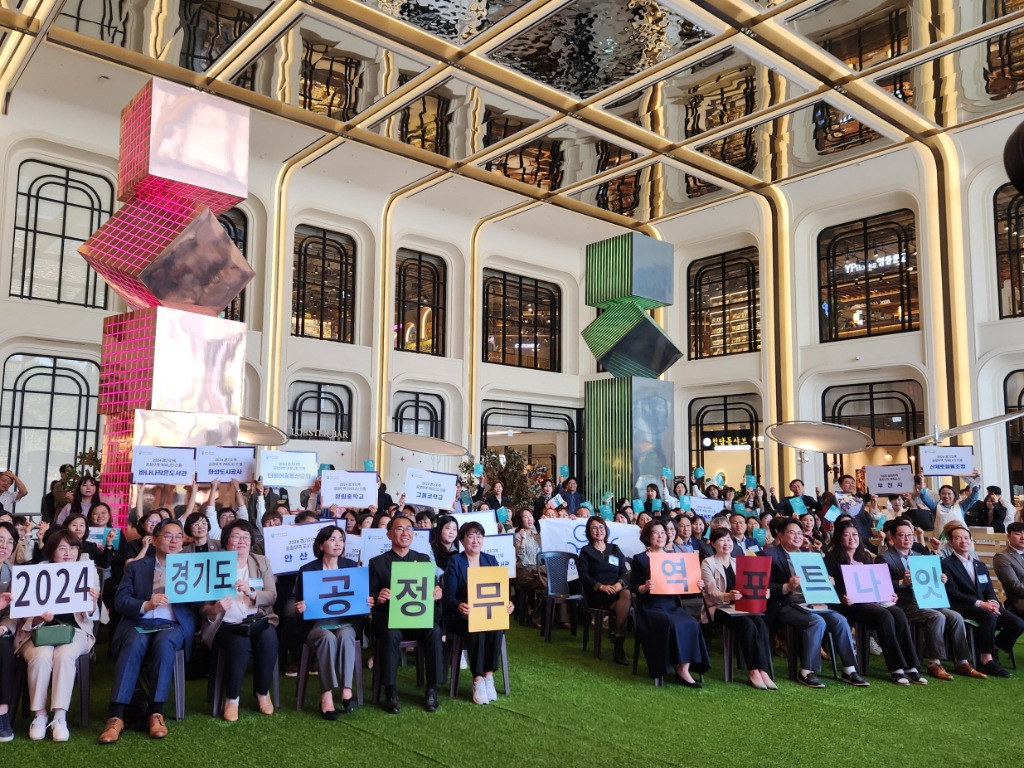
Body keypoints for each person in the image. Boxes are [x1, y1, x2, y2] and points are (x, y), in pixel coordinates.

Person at [98, 518, 199, 744]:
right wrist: (146, 604)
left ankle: (156, 712)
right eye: (167, 535)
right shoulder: (136, 566)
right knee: (133, 643)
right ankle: (116, 716)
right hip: (141, 623)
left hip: (172, 625)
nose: (173, 540)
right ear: (154, 540)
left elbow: (200, 604)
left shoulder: (192, 567)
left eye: (178, 536)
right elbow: (120, 601)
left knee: (165, 644)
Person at [15, 529, 100, 741]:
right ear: (52, 551)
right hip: (38, 632)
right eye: (62, 548)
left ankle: (60, 716)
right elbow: (24, 618)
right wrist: (39, 617)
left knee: (64, 655)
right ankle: (40, 715)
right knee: (41, 656)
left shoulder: (87, 573)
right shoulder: (37, 572)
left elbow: (92, 615)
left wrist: (92, 602)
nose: (68, 553)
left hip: (76, 631)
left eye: (73, 548)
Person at [766, 518, 867, 688]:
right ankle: (807, 671)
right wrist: (787, 586)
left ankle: (849, 669)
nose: (797, 536)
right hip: (786, 605)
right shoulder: (769, 554)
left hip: (813, 603)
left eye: (799, 533)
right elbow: (764, 585)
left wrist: (828, 582)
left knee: (841, 621)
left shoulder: (809, 556)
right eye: (792, 533)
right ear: (780, 535)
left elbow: (820, 582)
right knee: (816, 622)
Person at [877, 518, 980, 680]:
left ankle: (962, 661)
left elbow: (932, 580)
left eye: (910, 535)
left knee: (956, 617)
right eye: (902, 535)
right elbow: (881, 586)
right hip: (905, 603)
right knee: (937, 617)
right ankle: (934, 663)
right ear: (893, 537)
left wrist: (941, 580)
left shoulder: (920, 556)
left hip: (929, 599)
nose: (907, 539)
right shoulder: (885, 558)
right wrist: (902, 582)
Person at [824, 521, 925, 685]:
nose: (852, 538)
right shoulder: (831, 557)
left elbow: (875, 582)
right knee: (884, 616)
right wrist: (842, 597)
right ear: (839, 537)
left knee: (898, 613)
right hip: (849, 604)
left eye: (855, 534)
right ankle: (896, 668)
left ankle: (911, 666)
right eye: (847, 535)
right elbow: (830, 584)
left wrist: (887, 594)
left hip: (871, 601)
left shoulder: (864, 556)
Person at [200, 520, 278, 720]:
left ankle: (262, 692)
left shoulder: (261, 561)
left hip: (257, 620)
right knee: (239, 643)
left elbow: (272, 595)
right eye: (236, 536)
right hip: (225, 624)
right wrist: (215, 608)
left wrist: (252, 593)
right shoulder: (212, 563)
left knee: (269, 638)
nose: (241, 541)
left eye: (246, 537)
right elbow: (201, 605)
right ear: (226, 541)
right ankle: (232, 699)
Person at [368, 517, 443, 714]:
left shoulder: (424, 560)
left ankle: (432, 689)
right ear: (389, 534)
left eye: (409, 529)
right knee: (391, 634)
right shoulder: (377, 563)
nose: (405, 533)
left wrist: (437, 592)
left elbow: (433, 587)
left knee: (434, 631)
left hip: (419, 617)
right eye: (399, 528)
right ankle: (391, 690)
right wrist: (379, 597)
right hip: (390, 619)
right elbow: (370, 596)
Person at [294, 525, 368, 719]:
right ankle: (326, 694)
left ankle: (346, 689)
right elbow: (300, 605)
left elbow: (360, 600)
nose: (338, 543)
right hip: (316, 624)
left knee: (344, 636)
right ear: (321, 545)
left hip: (345, 621)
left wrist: (366, 601)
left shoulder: (351, 567)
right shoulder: (307, 570)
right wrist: (300, 608)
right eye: (333, 539)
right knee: (327, 638)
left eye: (341, 540)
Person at [443, 521, 514, 705]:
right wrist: (459, 606)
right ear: (463, 540)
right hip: (461, 616)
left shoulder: (491, 560)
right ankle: (477, 679)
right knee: (475, 625)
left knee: (495, 624)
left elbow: (501, 591)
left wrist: (507, 604)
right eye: (470, 536)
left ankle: (489, 675)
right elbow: (448, 596)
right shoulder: (455, 562)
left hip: (488, 613)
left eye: (479, 536)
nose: (475, 540)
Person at [631, 520, 709, 686]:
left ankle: (683, 669)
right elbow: (633, 587)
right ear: (647, 536)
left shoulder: (675, 558)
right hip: (649, 607)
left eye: (663, 532)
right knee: (671, 624)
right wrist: (645, 587)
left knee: (691, 624)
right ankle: (671, 666)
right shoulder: (639, 559)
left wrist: (697, 585)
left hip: (670, 605)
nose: (660, 536)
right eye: (655, 532)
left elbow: (683, 585)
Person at [942, 526, 1024, 677]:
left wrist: (993, 601)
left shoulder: (979, 564)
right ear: (951, 542)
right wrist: (981, 604)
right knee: (989, 616)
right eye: (958, 538)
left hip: (984, 604)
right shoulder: (946, 564)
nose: (963, 541)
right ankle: (985, 660)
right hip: (961, 605)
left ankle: (994, 648)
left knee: (1018, 623)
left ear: (971, 540)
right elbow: (953, 593)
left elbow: (988, 589)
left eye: (966, 538)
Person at [701, 528, 775, 689]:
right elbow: (712, 593)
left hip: (741, 607)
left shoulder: (739, 561)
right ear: (713, 544)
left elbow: (752, 586)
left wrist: (763, 592)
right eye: (721, 540)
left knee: (761, 625)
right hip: (718, 607)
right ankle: (753, 670)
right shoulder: (708, 562)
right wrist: (728, 596)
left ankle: (763, 669)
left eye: (728, 539)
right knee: (747, 625)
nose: (726, 543)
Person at [577, 516, 631, 665]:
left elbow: (624, 572)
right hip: (597, 594)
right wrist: (601, 586)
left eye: (601, 527)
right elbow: (583, 575)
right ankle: (618, 643)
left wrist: (620, 584)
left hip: (617, 591)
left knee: (626, 593)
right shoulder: (586, 551)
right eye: (594, 528)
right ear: (589, 532)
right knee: (624, 604)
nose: (598, 531)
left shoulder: (614, 548)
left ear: (605, 530)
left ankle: (618, 636)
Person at [0, 521, 19, 741]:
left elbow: (15, 611)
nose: (4, 546)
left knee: (5, 648)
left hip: (1, 628)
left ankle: (2, 714)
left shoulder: (13, 573)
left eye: (10, 542)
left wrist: (4, 626)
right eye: (0, 540)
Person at [513, 509, 543, 626]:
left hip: (540, 570)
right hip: (525, 571)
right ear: (521, 521)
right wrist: (524, 539)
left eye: (530, 516)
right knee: (549, 587)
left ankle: (538, 616)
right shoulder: (518, 535)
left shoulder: (538, 534)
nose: (529, 518)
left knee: (549, 588)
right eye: (526, 517)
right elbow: (520, 556)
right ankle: (537, 617)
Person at [993, 521, 1024, 616]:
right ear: (1008, 536)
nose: (1023, 537)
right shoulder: (1002, 557)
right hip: (1019, 601)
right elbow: (1014, 585)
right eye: (1018, 534)